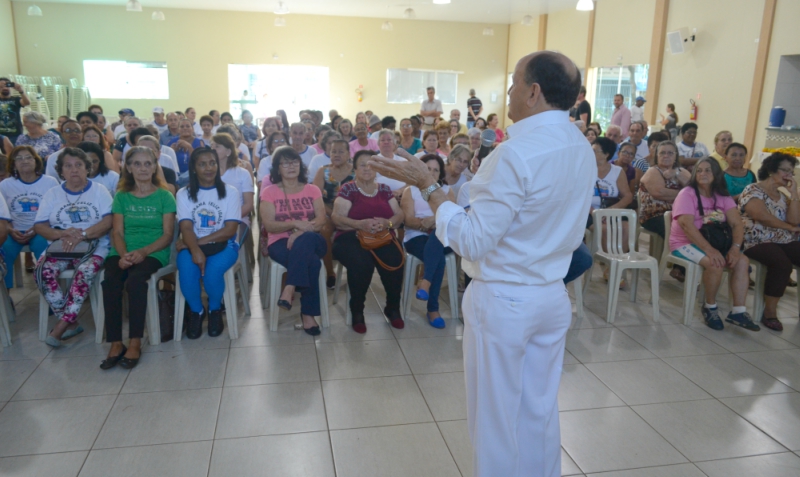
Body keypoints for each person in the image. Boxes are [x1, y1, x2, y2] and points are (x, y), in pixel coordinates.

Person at [370, 50, 594, 477]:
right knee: (539, 410)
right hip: (550, 294)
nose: (508, 91)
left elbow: (472, 240)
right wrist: (449, 195)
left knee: (495, 420)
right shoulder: (578, 146)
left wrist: (429, 186)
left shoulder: (515, 153)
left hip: (506, 298)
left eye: (513, 82)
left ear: (533, 91)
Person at [100, 146, 176, 369]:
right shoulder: (122, 196)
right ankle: (115, 342)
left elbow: (168, 234)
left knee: (135, 282)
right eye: (137, 164)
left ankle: (134, 341)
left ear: (155, 167)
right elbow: (117, 232)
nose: (143, 168)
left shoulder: (165, 196)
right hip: (123, 250)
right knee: (110, 282)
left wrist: (143, 252)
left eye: (147, 164)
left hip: (154, 251)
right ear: (128, 168)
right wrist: (123, 255)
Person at [34, 148, 113, 348]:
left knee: (85, 271)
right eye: (68, 166)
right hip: (61, 244)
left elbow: (108, 221)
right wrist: (63, 233)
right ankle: (71, 320)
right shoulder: (53, 193)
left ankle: (61, 325)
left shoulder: (99, 191)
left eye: (79, 165)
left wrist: (83, 235)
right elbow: (40, 226)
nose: (74, 170)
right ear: (61, 171)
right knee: (42, 271)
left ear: (88, 168)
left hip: (94, 244)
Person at [670, 158, 756, 331]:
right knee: (714, 263)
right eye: (699, 170)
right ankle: (710, 307)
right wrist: (709, 250)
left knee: (742, 261)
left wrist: (735, 248)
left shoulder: (722, 195)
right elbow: (687, 226)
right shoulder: (687, 194)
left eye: (708, 170)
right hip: (684, 243)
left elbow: (737, 224)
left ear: (716, 174)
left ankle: (738, 311)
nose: (703, 174)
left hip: (716, 242)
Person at [332, 150, 405, 334]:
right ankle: (357, 311)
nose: (367, 168)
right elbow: (337, 218)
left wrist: (386, 223)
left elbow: (399, 215)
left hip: (381, 235)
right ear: (355, 168)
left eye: (371, 164)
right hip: (350, 235)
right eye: (362, 164)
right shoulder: (348, 189)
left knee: (396, 259)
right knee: (361, 263)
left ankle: (393, 308)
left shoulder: (384, 189)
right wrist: (360, 224)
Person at [260, 147, 328, 335]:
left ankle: (289, 288)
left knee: (305, 240)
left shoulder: (312, 189)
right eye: (286, 163)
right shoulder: (269, 192)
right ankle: (308, 316)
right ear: (277, 168)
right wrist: (295, 223)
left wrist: (298, 233)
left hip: (313, 239)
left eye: (295, 162)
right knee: (312, 263)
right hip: (280, 242)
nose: (291, 166)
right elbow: (270, 225)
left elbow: (321, 220)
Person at [176, 148, 241, 339]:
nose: (209, 168)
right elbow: (186, 227)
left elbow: (230, 230)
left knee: (213, 272)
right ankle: (197, 311)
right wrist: (194, 249)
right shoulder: (184, 193)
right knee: (187, 271)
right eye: (202, 164)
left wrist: (193, 245)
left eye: (212, 163)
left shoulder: (230, 192)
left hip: (225, 245)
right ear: (194, 168)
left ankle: (214, 309)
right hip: (192, 243)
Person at [739, 153, 800, 332]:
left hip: (782, 238)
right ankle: (770, 312)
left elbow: (794, 220)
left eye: (792, 171)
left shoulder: (783, 196)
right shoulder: (752, 190)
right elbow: (760, 216)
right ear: (771, 170)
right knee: (782, 265)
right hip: (755, 238)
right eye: (785, 170)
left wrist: (794, 193)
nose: (789, 175)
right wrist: (788, 228)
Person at [401, 154, 457, 328]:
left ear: (440, 173)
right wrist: (427, 224)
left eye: (436, 170)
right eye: (428, 169)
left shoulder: (447, 192)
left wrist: (433, 221)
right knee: (437, 256)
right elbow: (408, 220)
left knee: (438, 235)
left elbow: (453, 218)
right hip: (416, 236)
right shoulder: (410, 190)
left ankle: (425, 283)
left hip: (443, 236)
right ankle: (433, 309)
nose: (431, 173)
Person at [0, 146, 59, 288]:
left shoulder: (50, 182)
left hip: (42, 230)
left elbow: (56, 211)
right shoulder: (5, 185)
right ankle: (5, 299)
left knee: (44, 249)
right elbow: (2, 214)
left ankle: (49, 294)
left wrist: (37, 228)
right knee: (4, 250)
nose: (24, 161)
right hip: (13, 231)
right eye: (18, 158)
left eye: (28, 157)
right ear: (13, 163)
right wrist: (10, 229)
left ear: (36, 160)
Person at [639, 141, 691, 280]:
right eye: (662, 153)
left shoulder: (682, 171)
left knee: (696, 227)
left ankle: (681, 267)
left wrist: (677, 174)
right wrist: (684, 195)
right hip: (654, 215)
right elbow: (659, 192)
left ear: (676, 156)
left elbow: (695, 191)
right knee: (680, 229)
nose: (666, 156)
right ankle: (680, 267)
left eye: (670, 153)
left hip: (678, 214)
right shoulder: (653, 171)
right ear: (656, 156)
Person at [591, 137, 634, 284]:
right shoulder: (584, 169)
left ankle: (614, 267)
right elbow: (579, 198)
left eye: (595, 151)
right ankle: (611, 265)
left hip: (610, 210)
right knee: (605, 229)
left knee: (626, 227)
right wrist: (597, 214)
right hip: (590, 212)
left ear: (606, 154)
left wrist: (610, 211)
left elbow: (627, 196)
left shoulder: (617, 171)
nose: (591, 153)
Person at [313, 139, 354, 287]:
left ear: (349, 154)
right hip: (328, 211)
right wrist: (333, 213)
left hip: (352, 213)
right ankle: (330, 272)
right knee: (324, 230)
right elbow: (316, 198)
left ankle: (356, 271)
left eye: (341, 151)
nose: (336, 154)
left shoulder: (356, 171)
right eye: (333, 151)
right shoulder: (323, 171)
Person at [211, 133, 255, 226]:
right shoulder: (206, 173)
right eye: (212, 146)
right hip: (211, 220)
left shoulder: (242, 173)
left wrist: (228, 219)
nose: (212, 149)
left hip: (237, 219)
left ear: (228, 152)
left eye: (217, 146)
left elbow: (248, 205)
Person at [169, 119, 204, 186]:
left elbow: (201, 162)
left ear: (192, 129)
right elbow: (166, 160)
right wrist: (172, 151)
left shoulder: (199, 142)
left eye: (188, 126)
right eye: (182, 127)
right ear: (178, 130)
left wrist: (189, 147)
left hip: (194, 176)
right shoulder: (172, 142)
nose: (185, 128)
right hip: (176, 176)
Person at [0, 78, 31, 144]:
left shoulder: (16, 99)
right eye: (1, 86)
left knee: (14, 153)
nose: (5, 88)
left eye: (7, 86)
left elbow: (27, 102)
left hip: (15, 134)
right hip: (1, 134)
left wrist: (21, 91)